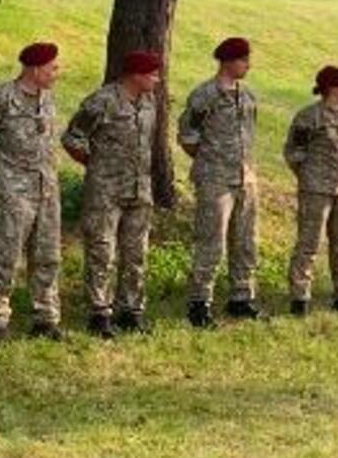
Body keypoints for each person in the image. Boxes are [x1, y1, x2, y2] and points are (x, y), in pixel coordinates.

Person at [0, 42, 64, 341]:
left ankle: (45, 318)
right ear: (35, 69)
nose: (56, 73)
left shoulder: (47, 99)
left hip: (45, 188)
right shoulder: (1, 98)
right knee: (5, 255)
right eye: (52, 68)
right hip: (13, 190)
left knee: (47, 256)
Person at [64, 51, 162, 336]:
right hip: (106, 191)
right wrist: (95, 165)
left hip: (139, 190)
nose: (157, 79)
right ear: (136, 74)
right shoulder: (102, 101)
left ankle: (130, 311)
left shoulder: (149, 102)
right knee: (101, 250)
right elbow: (73, 137)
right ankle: (99, 312)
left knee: (136, 253)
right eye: (152, 74)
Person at [180, 37, 264, 326]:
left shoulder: (248, 96)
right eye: (243, 60)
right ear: (227, 61)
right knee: (211, 242)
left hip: (245, 179)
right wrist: (211, 161)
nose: (248, 65)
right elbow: (188, 137)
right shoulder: (205, 96)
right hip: (215, 179)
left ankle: (241, 297)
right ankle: (199, 303)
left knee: (246, 241)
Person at [286, 66, 338, 316]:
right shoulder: (309, 117)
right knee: (309, 244)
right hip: (317, 190)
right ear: (332, 87)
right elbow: (294, 153)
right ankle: (300, 297)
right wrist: (309, 179)